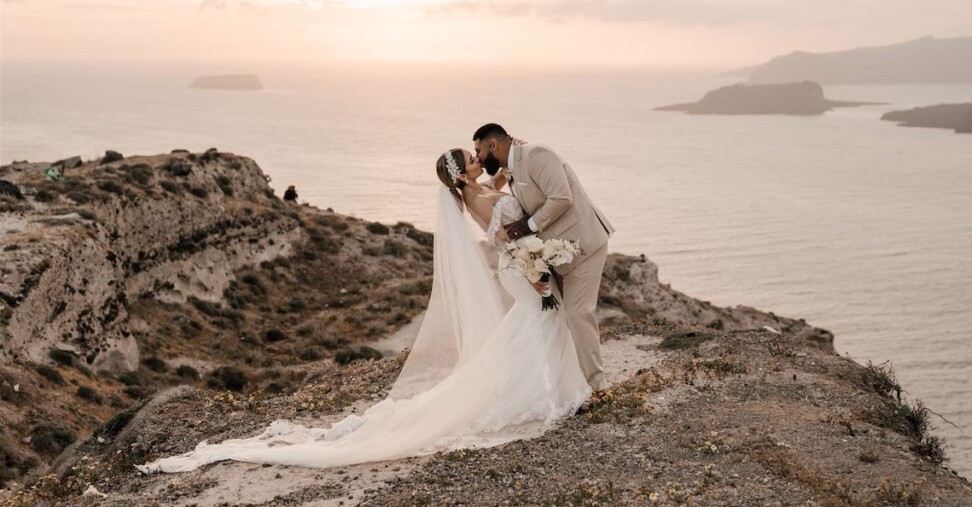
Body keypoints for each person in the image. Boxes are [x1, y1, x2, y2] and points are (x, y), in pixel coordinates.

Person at [136, 147, 590, 473]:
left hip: (519, 266)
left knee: (535, 326)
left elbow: (504, 204)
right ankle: (543, 393)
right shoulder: (476, 195)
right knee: (541, 321)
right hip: (521, 267)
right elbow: (508, 234)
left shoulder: (478, 189)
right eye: (471, 158)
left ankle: (545, 388)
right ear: (461, 175)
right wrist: (536, 270)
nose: (478, 158)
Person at [473, 123, 614, 391]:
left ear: (493, 145)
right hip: (554, 253)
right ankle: (569, 385)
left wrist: (526, 227)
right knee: (558, 316)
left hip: (583, 244)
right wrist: (463, 187)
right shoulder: (510, 167)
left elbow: (561, 198)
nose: (478, 157)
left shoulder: (537, 155)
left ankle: (598, 386)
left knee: (577, 313)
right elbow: (489, 186)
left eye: (478, 150)